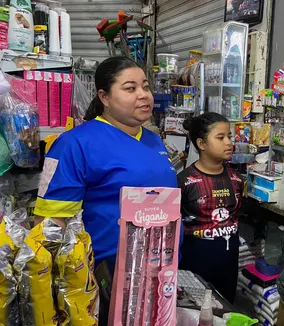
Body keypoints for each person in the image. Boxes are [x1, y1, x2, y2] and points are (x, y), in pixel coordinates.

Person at [34, 56, 178, 271]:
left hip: (161, 271)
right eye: (130, 88)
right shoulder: (73, 144)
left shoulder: (153, 139)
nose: (143, 95)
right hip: (103, 277)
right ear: (105, 97)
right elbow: (51, 222)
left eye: (145, 87)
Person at [177, 112, 243, 303]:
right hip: (195, 264)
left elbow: (236, 215)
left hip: (228, 262)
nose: (229, 142)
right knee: (195, 313)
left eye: (229, 136)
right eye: (220, 138)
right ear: (202, 144)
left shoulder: (236, 180)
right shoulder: (185, 182)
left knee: (225, 308)